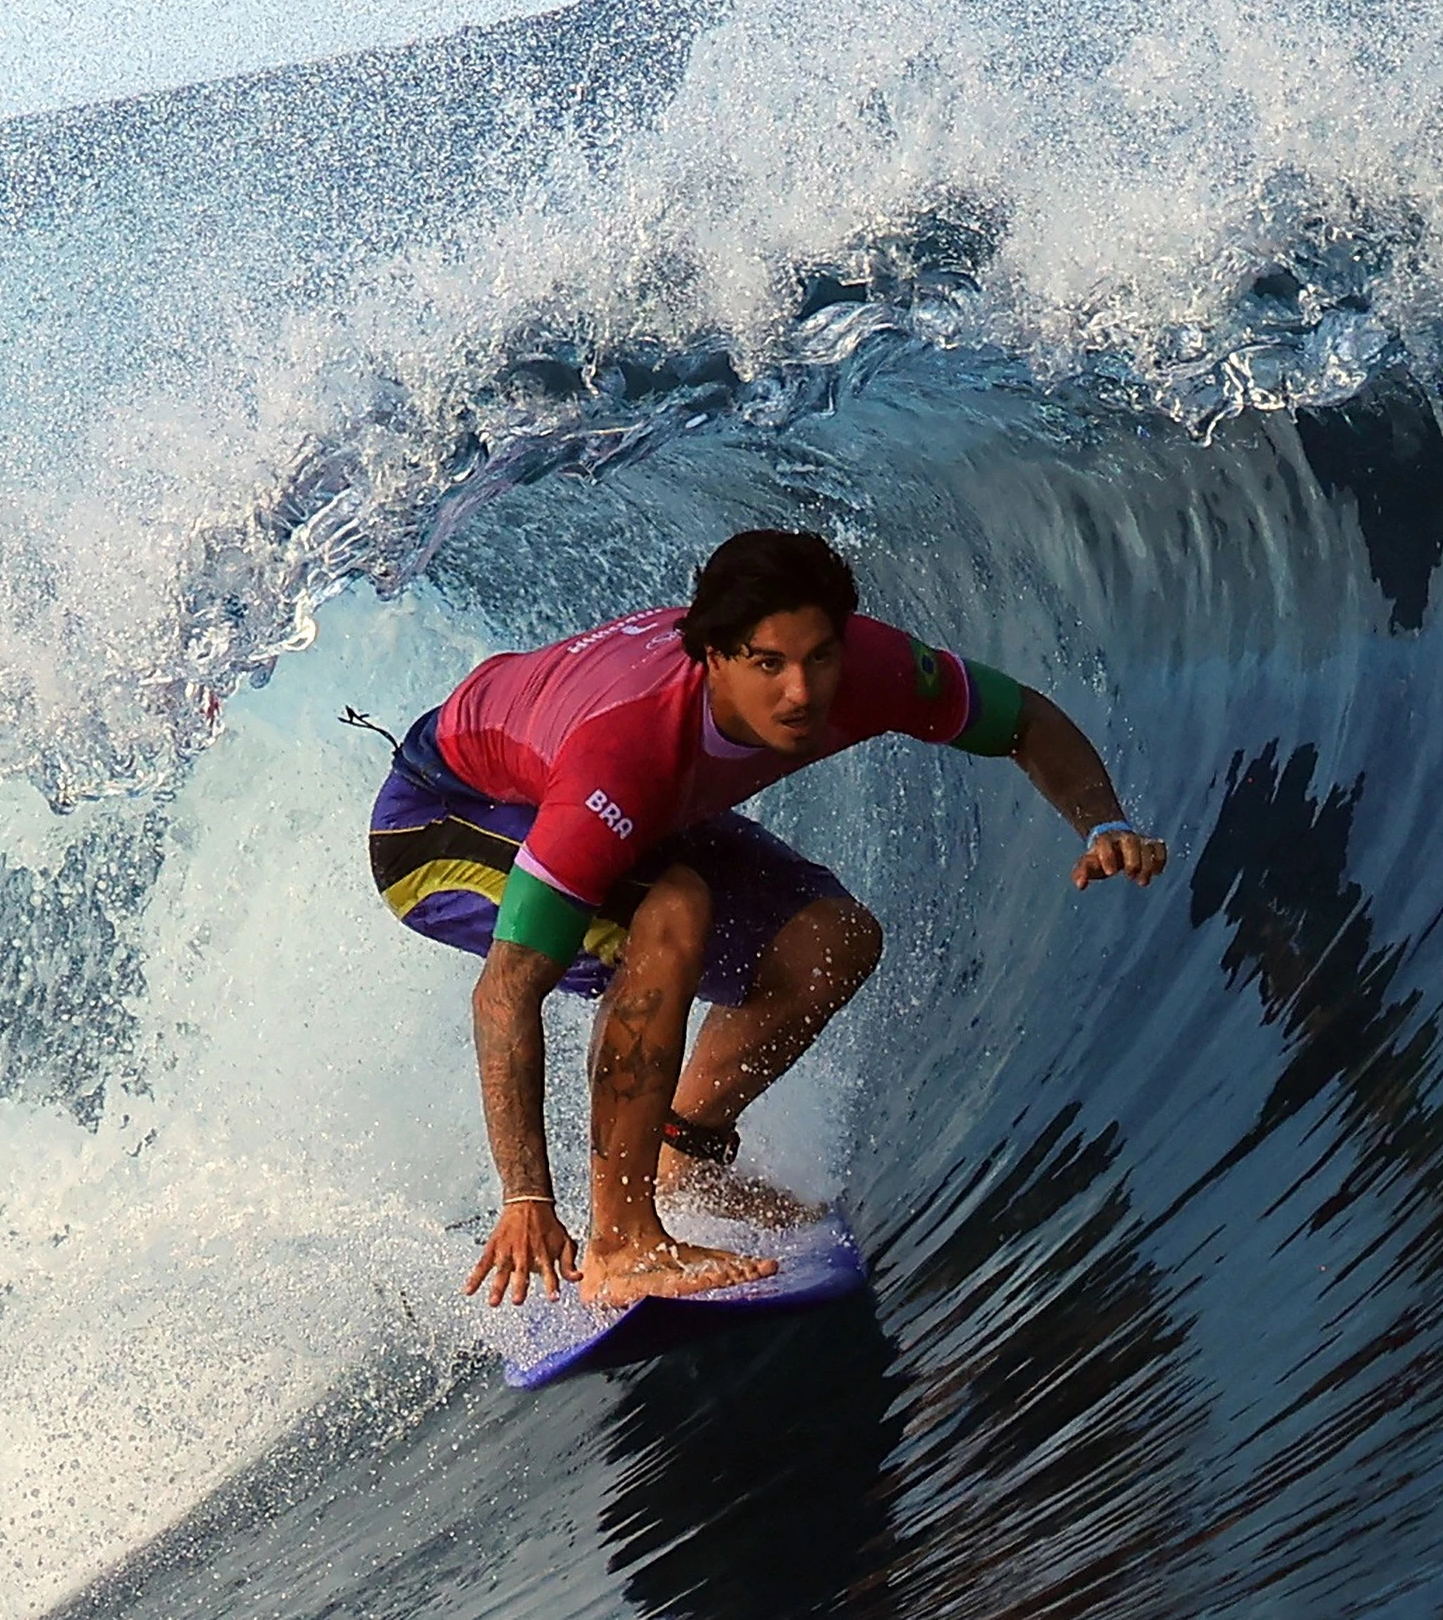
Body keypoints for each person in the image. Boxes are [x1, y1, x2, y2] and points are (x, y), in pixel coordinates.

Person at [364, 529, 1167, 1309]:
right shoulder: (626, 749)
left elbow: (1020, 717)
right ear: (714, 658)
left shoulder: (871, 668)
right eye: (769, 664)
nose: (802, 691)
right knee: (671, 908)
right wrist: (526, 1194)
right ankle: (622, 1244)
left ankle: (685, 1157)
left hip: (605, 792)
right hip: (445, 814)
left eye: (820, 657)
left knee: (833, 939)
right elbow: (506, 991)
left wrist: (1101, 823)